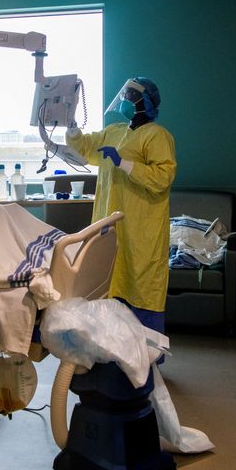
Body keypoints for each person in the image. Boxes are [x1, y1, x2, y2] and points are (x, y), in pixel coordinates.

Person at [65, 77, 176, 334]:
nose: (124, 101)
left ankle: (147, 354)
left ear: (143, 102)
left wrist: (124, 164)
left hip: (140, 230)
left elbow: (163, 177)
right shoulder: (114, 131)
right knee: (107, 279)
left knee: (140, 284)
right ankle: (108, 348)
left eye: (130, 97)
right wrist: (71, 128)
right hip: (108, 223)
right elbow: (86, 148)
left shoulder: (158, 136)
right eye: (124, 95)